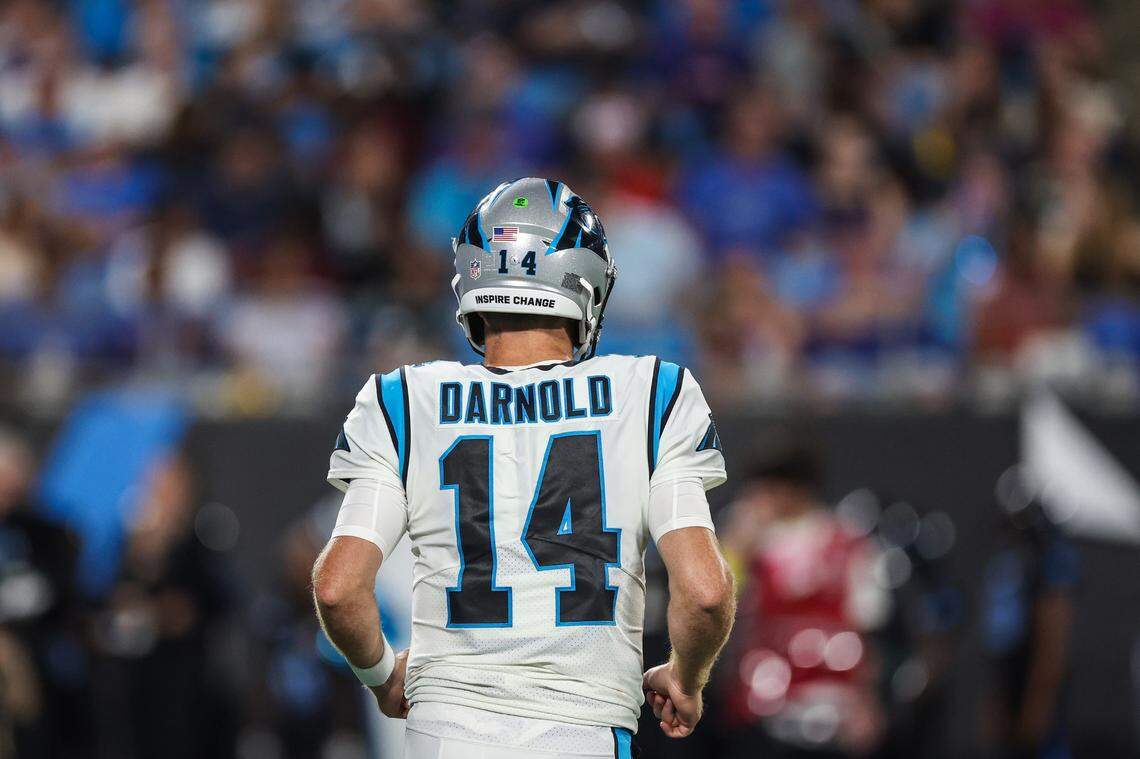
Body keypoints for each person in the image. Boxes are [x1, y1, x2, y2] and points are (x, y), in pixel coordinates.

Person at [311, 177, 736, 759]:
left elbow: (337, 589)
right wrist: (686, 676)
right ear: (585, 281)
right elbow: (706, 593)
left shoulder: (403, 400)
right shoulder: (654, 394)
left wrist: (382, 675)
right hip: (583, 733)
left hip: (444, 734)